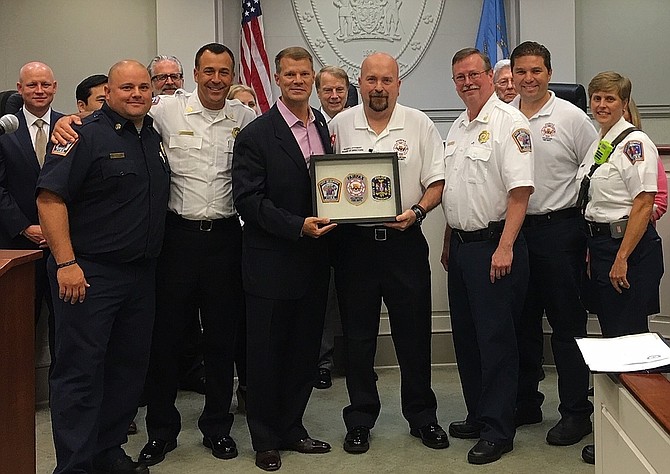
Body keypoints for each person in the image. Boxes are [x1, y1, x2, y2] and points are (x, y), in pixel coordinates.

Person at [52, 43, 257, 467]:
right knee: (162, 343)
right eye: (208, 71)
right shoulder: (163, 112)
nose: (216, 79)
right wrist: (68, 122)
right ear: (194, 75)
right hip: (173, 243)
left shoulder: (244, 117)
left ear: (232, 75)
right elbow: (58, 185)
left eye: (224, 72)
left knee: (221, 340)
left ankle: (217, 427)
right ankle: (161, 432)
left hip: (223, 240)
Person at [36, 59, 170, 474]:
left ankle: (108, 452)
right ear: (107, 92)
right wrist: (67, 263)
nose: (136, 94)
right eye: (126, 87)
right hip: (89, 274)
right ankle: (75, 465)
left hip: (141, 275)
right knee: (79, 374)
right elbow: (49, 199)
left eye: (143, 87)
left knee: (127, 371)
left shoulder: (152, 135)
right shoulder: (81, 135)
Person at [329, 52, 448, 454]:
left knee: (413, 335)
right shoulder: (339, 126)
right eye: (371, 80)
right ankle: (360, 418)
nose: (378, 88)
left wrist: (416, 212)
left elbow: (437, 182)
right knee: (359, 339)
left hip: (404, 244)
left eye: (387, 80)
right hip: (354, 247)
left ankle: (422, 417)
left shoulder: (420, 124)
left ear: (399, 84)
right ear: (359, 84)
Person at [232, 46, 335, 472]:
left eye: (304, 74)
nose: (297, 80)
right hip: (271, 262)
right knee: (265, 354)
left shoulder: (324, 128)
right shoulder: (257, 133)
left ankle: (293, 427)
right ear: (276, 78)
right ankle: (265, 438)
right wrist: (297, 225)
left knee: (303, 352)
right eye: (289, 74)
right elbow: (248, 201)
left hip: (315, 262)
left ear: (313, 78)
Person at [441, 47, 534, 465]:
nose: (467, 82)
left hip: (495, 247)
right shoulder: (459, 126)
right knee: (468, 338)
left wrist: (506, 246)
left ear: (490, 77)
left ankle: (499, 428)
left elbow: (520, 192)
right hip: (461, 247)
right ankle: (479, 414)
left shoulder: (510, 123)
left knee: (496, 341)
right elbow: (456, 189)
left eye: (474, 74)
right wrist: (448, 239)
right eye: (460, 77)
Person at [509, 41, 597, 446]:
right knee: (522, 324)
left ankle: (577, 413)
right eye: (521, 72)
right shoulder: (505, 115)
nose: (529, 79)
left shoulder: (571, 116)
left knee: (566, 327)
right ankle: (527, 402)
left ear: (549, 72)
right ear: (512, 75)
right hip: (514, 232)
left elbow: (593, 167)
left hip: (558, 233)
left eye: (537, 71)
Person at [577, 72, 663, 466]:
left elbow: (643, 204)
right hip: (603, 244)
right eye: (596, 98)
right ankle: (617, 428)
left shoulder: (634, 144)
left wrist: (622, 257)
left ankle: (640, 430)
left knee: (630, 345)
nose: (600, 105)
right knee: (615, 342)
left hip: (626, 249)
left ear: (624, 103)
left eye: (609, 99)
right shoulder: (602, 141)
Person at [0, 61, 63, 366]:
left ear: (55, 87)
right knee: (17, 328)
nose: (40, 90)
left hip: (64, 247)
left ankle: (65, 402)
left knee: (66, 330)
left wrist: (55, 231)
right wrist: (26, 226)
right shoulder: (4, 129)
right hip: (18, 246)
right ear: (20, 88)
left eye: (46, 84)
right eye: (33, 85)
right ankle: (17, 407)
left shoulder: (73, 126)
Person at [314, 65, 350, 390]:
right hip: (320, 226)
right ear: (318, 93)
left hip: (354, 228)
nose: (334, 96)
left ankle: (355, 360)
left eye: (339, 89)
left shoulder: (357, 124)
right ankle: (322, 362)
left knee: (354, 295)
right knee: (323, 298)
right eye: (327, 90)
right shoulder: (310, 126)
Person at [625, 97, 668, 223]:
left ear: (631, 115)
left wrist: (637, 223)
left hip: (635, 229)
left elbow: (660, 200)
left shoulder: (643, 146)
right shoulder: (598, 146)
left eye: (623, 112)